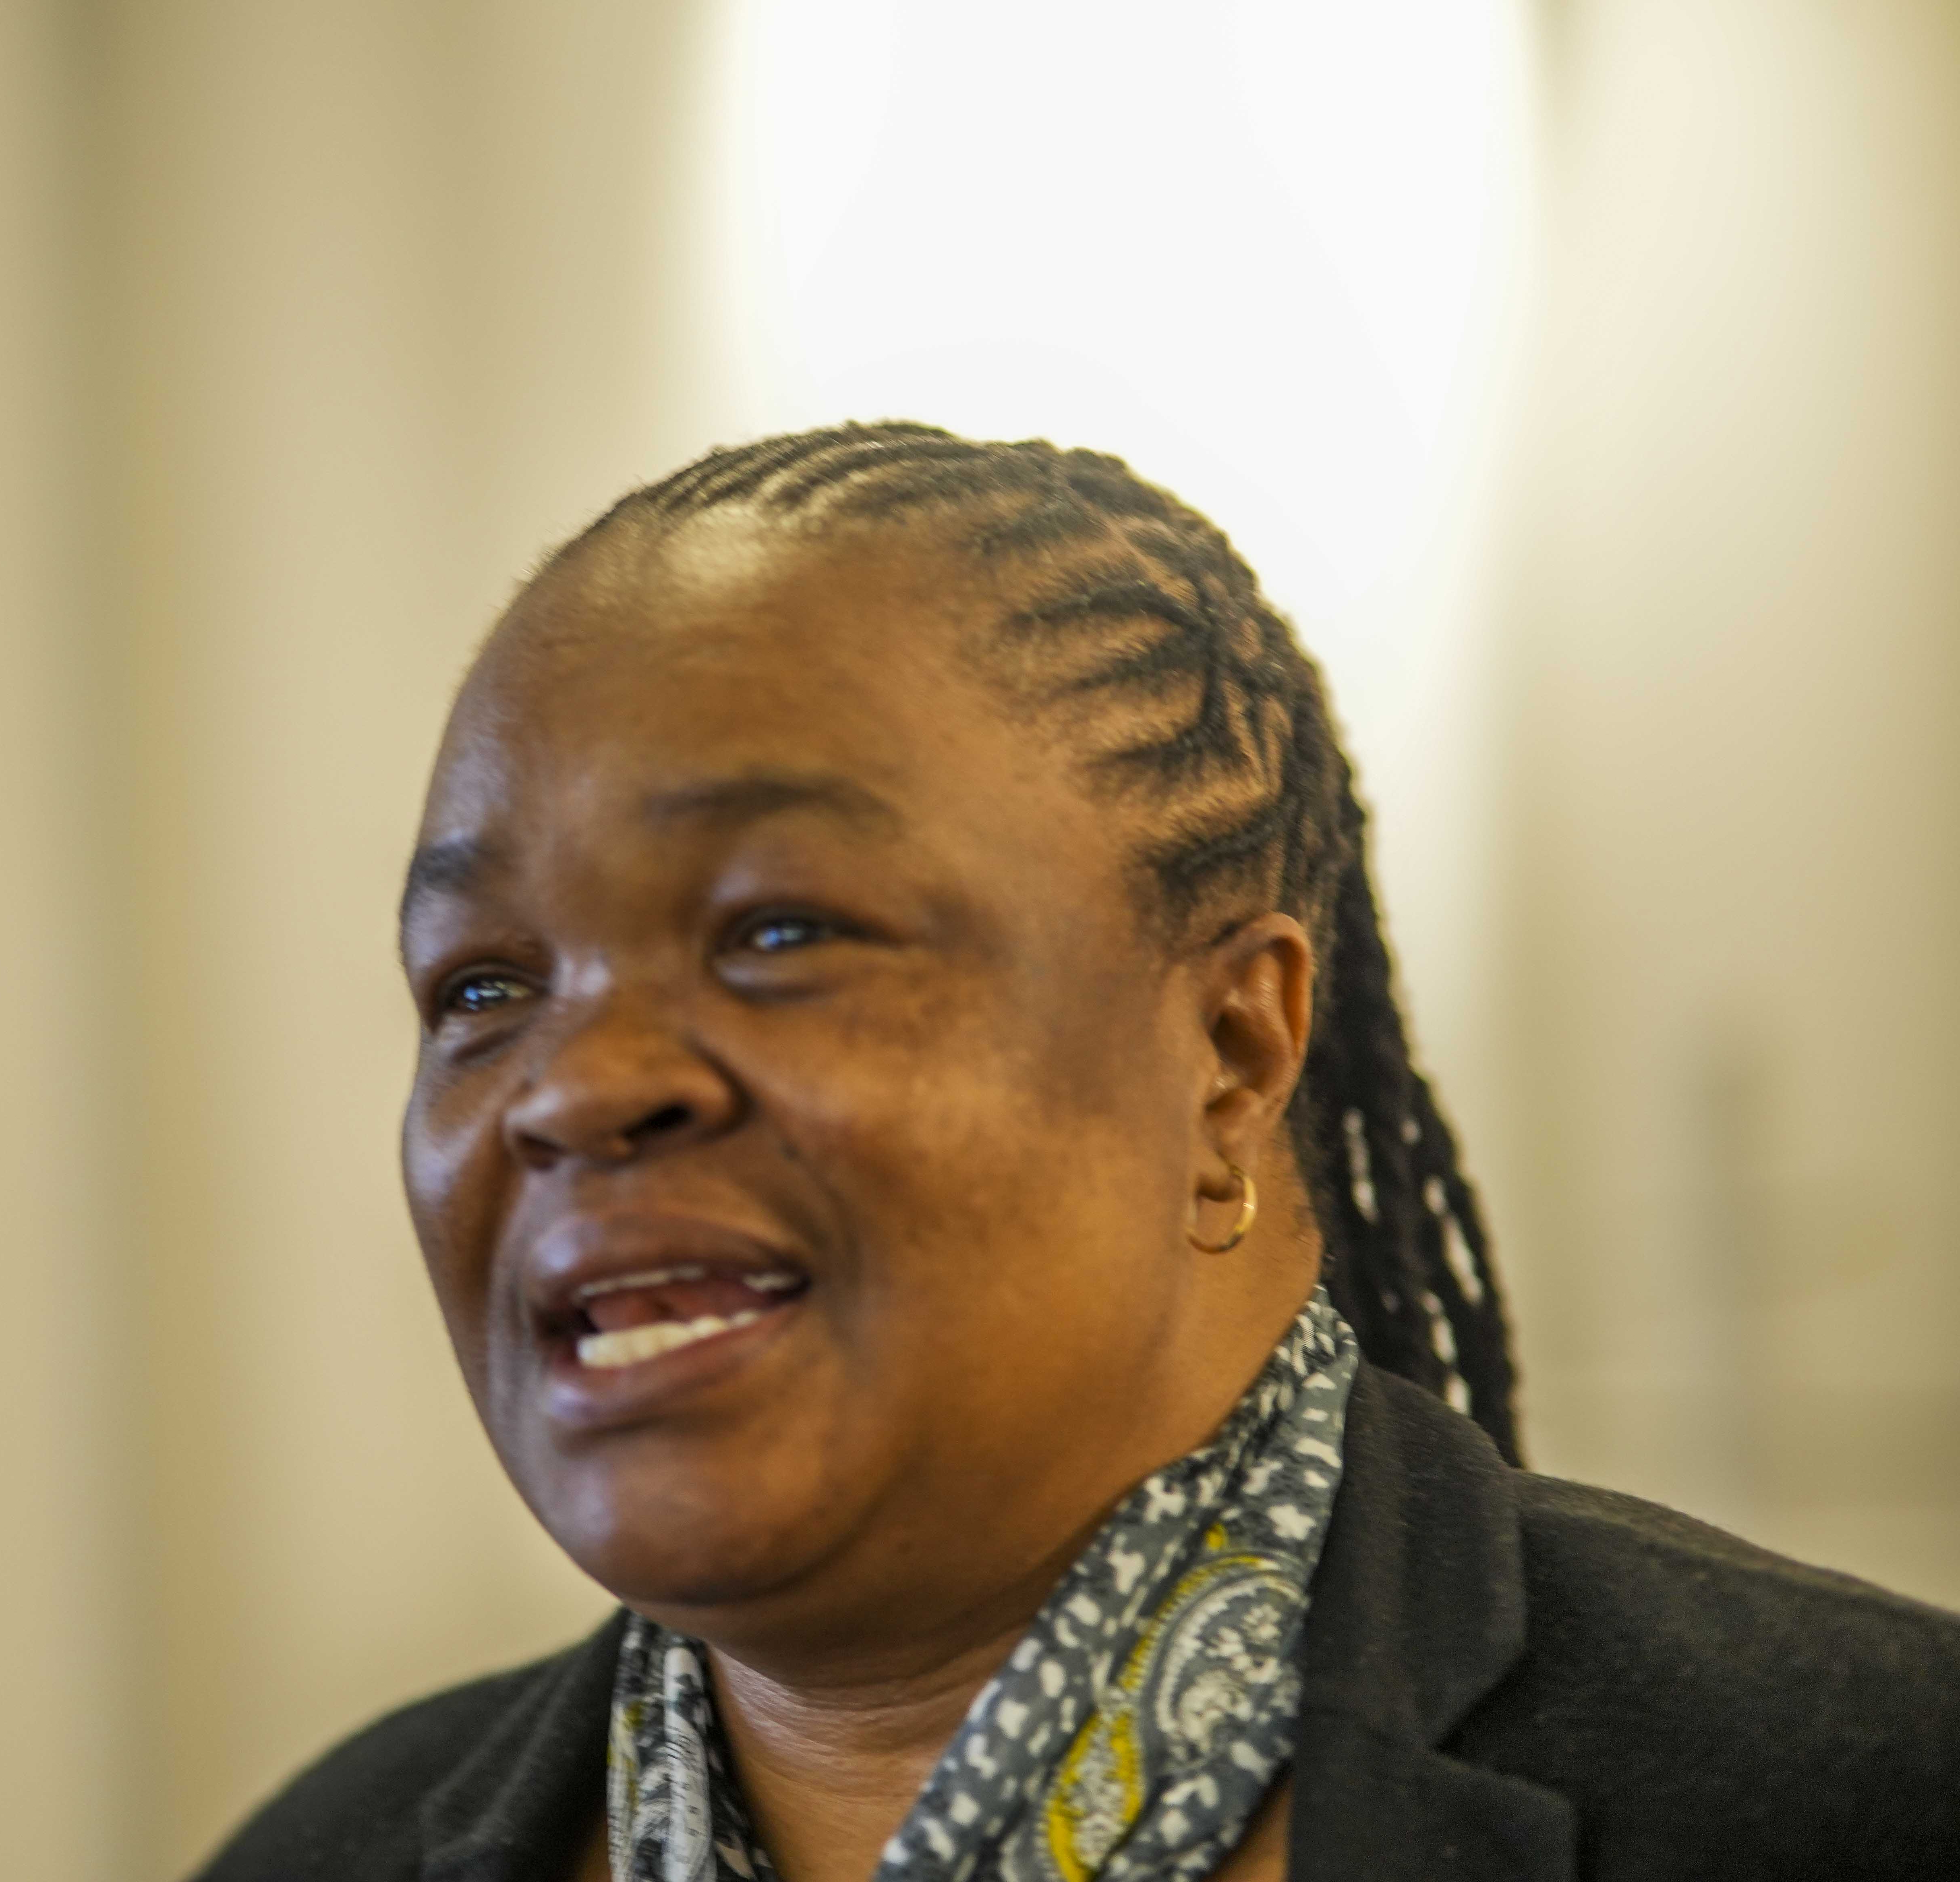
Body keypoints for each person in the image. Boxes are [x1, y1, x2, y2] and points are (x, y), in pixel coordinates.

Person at [191, 424, 1960, 1882]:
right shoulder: (320, 1855)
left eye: (782, 931)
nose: (575, 1087)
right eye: (484, 986)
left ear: (1231, 1054)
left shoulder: (1856, 1798)